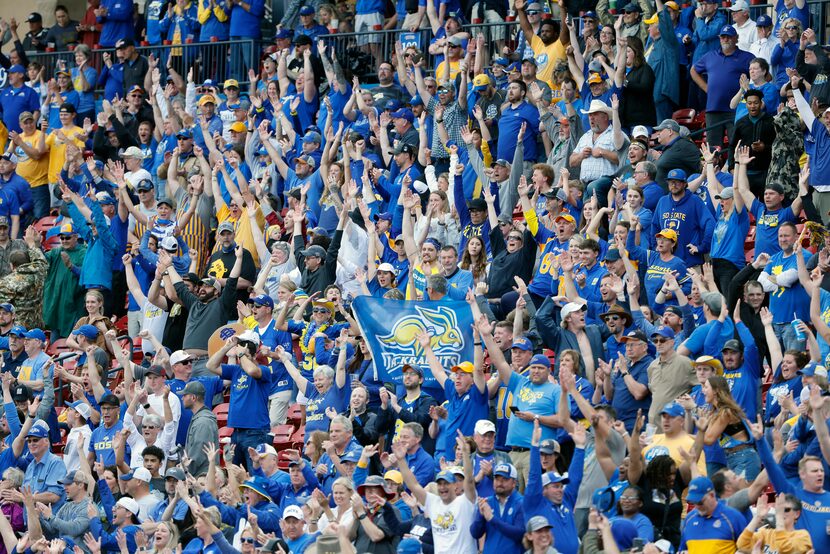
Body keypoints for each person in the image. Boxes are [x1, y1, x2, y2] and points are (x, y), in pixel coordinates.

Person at [680, 476, 748, 554]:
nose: (697, 506)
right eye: (693, 502)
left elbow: (747, 547)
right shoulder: (689, 519)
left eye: (700, 502)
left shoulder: (733, 517)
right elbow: (683, 550)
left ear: (712, 495)